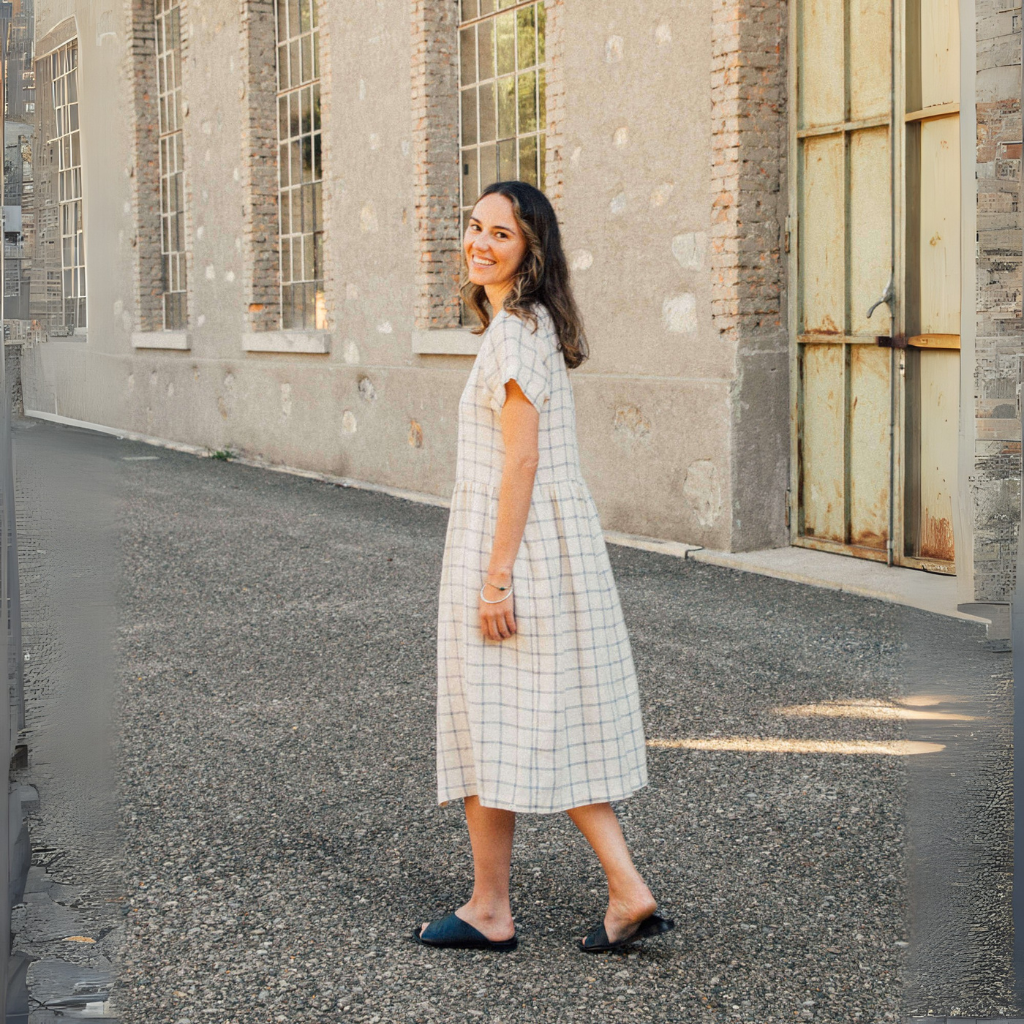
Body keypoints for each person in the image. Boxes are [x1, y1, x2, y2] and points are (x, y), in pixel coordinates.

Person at [415, 181, 673, 954]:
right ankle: (493, 903)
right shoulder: (519, 328)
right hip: (528, 543)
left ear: (531, 252)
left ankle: (615, 891)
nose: (481, 243)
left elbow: (520, 460)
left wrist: (496, 579)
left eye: (503, 234)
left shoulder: (516, 333)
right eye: (475, 227)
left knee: (524, 725)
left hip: (514, 551)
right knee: (500, 722)